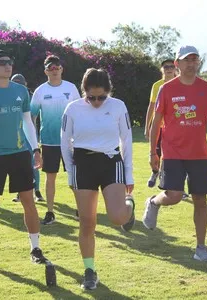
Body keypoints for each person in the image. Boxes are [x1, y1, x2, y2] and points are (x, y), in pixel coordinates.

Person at [142, 45, 207, 261]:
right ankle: (153, 202)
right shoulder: (167, 89)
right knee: (175, 196)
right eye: (186, 60)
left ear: (198, 62)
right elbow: (156, 123)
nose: (191, 63)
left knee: (201, 199)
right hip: (172, 152)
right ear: (177, 64)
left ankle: (201, 247)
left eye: (194, 59)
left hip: (199, 153)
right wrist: (153, 152)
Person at [61, 68, 135, 290]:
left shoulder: (118, 106)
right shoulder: (73, 108)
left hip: (111, 162)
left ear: (108, 92)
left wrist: (129, 173)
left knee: (117, 217)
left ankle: (129, 204)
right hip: (83, 164)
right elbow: (65, 142)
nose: (96, 101)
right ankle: (89, 271)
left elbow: (127, 139)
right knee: (87, 223)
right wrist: (71, 173)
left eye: (101, 97)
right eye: (91, 97)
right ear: (84, 92)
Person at [0, 49, 48, 263]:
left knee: (29, 201)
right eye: (2, 62)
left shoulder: (21, 91)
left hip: (19, 154)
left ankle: (35, 249)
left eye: (10, 62)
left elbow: (28, 122)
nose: (8, 66)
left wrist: (35, 149)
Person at [31, 55, 80, 225]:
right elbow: (32, 116)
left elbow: (80, 113)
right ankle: (50, 212)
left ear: (61, 69)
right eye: (50, 67)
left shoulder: (71, 88)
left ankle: (80, 209)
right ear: (45, 71)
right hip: (49, 142)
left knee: (74, 177)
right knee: (50, 177)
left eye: (57, 67)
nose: (54, 70)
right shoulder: (40, 91)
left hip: (70, 142)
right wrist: (33, 140)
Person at [11, 73, 44, 203]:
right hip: (15, 135)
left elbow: (32, 118)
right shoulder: (9, 95)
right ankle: (20, 193)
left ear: (25, 84)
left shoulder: (30, 96)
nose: (18, 85)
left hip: (29, 135)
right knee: (18, 165)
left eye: (20, 83)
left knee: (33, 163)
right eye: (16, 82)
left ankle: (37, 191)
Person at [144, 59, 177, 188]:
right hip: (159, 126)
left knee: (172, 158)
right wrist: (148, 126)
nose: (169, 69)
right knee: (155, 154)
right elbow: (151, 107)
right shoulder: (157, 86)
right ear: (161, 69)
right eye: (166, 67)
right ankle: (155, 172)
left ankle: (172, 184)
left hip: (174, 127)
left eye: (171, 66)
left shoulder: (181, 83)